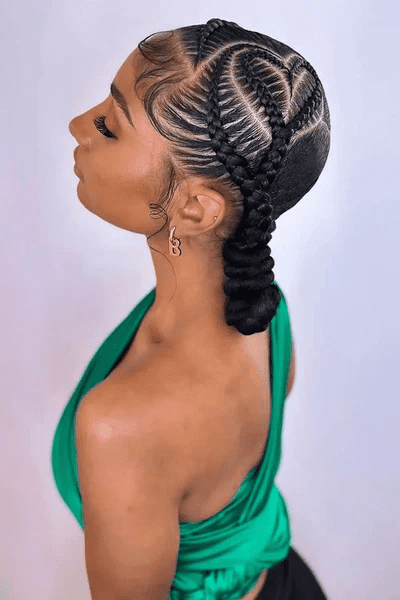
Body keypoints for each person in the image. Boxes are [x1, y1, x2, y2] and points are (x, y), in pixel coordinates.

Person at [54, 18, 331, 600]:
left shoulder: (120, 425)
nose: (79, 124)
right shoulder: (267, 313)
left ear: (196, 210)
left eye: (110, 125)